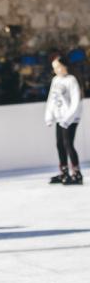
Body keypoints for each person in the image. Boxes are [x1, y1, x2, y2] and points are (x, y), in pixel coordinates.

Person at [45, 53, 83, 185]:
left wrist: (69, 118)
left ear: (64, 66)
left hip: (71, 119)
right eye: (54, 68)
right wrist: (49, 115)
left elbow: (76, 101)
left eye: (57, 67)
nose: (55, 70)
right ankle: (64, 172)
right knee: (59, 144)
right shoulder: (56, 80)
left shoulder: (71, 80)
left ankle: (77, 173)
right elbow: (52, 99)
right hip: (59, 118)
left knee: (68, 144)